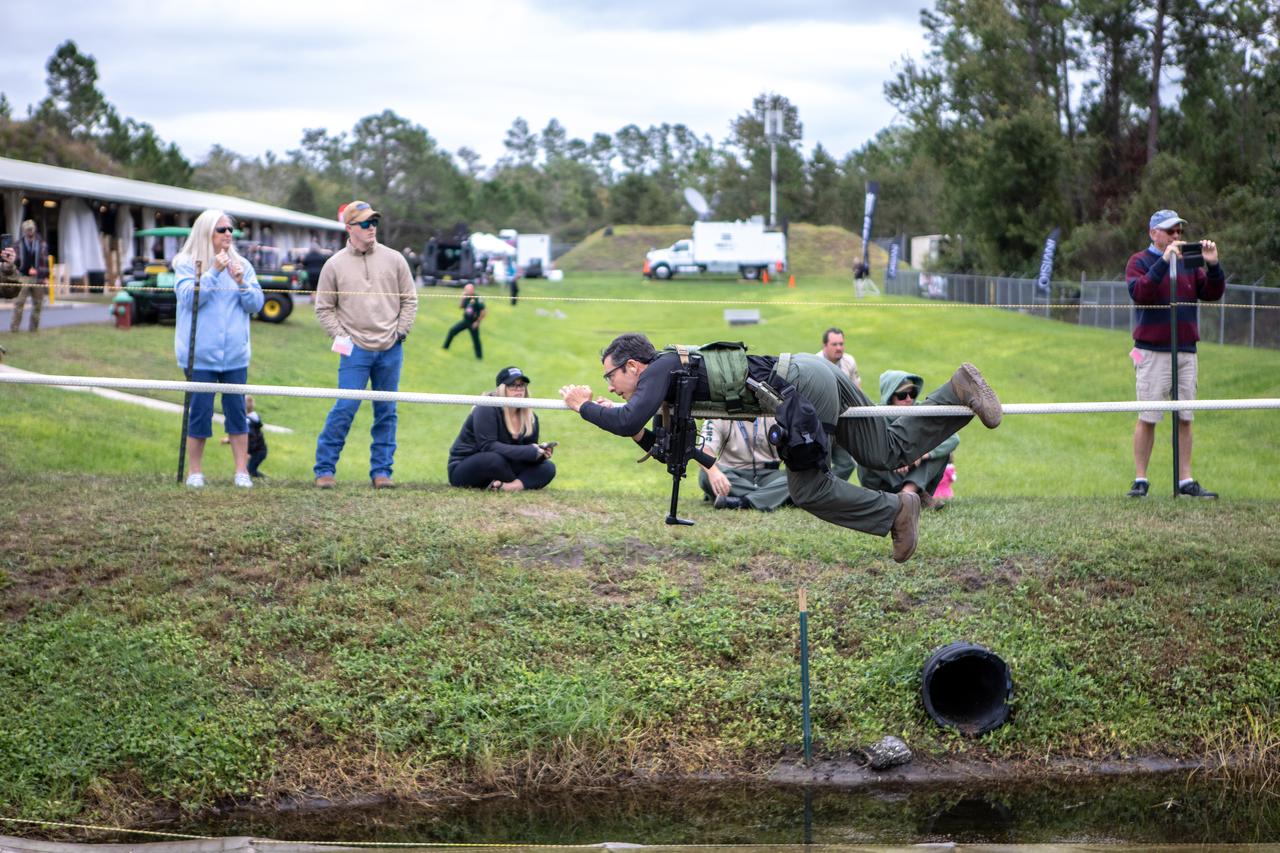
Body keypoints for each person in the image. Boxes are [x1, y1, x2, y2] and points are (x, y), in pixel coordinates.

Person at [559, 334, 1002, 562]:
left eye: (610, 378)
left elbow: (626, 418)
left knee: (808, 489)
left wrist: (583, 407)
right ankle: (957, 391)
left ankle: (896, 513)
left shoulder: (661, 366)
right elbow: (668, 449)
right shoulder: (668, 383)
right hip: (808, 373)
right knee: (885, 450)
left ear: (632, 366)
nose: (611, 388)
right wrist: (623, 424)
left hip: (801, 385)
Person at [313, 200, 419, 489]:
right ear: (350, 228)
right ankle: (324, 470)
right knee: (345, 407)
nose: (372, 227)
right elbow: (324, 308)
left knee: (387, 411)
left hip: (390, 349)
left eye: (374, 222)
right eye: (365, 223)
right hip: (354, 350)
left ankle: (382, 473)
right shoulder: (333, 265)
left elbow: (409, 299)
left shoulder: (395, 259)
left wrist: (400, 332)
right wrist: (342, 337)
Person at [1125, 209, 1225, 499]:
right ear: (1154, 233)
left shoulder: (1190, 265)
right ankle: (1140, 480)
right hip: (1152, 352)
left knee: (1185, 416)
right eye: (1170, 231)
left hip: (1185, 351)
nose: (1177, 237)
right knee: (1149, 416)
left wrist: (1214, 265)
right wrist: (1164, 261)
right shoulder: (1139, 262)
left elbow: (1212, 292)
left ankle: (1185, 481)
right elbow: (1140, 291)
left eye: (1179, 231)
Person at [173, 209, 264, 489]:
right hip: (200, 356)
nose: (228, 235)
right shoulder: (187, 264)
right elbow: (190, 300)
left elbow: (256, 305)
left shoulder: (243, 265)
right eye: (221, 229)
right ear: (206, 233)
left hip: (235, 356)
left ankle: (241, 471)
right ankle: (195, 472)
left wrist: (242, 283)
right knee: (199, 412)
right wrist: (213, 271)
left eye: (230, 230)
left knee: (237, 413)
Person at [857, 371, 959, 510]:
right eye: (902, 395)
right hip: (884, 480)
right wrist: (896, 457)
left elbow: (953, 438)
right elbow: (861, 443)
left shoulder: (922, 410)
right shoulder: (875, 414)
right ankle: (907, 497)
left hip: (915, 478)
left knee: (941, 452)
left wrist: (921, 455)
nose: (909, 399)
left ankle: (908, 493)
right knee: (866, 452)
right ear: (889, 396)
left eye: (913, 393)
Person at [447, 366, 556, 491]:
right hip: (466, 466)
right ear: (502, 388)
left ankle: (508, 487)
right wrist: (529, 451)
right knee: (493, 459)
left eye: (521, 385)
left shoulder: (530, 417)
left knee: (548, 467)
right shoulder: (486, 407)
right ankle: (519, 483)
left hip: (506, 465)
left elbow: (526, 453)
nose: (518, 390)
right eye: (512, 386)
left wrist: (540, 454)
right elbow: (487, 446)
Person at [699, 416, 790, 511]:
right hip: (732, 476)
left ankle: (742, 502)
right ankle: (773, 496)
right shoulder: (718, 415)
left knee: (795, 480)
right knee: (706, 473)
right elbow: (704, 450)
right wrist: (714, 473)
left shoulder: (774, 411)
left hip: (768, 475)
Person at [816, 327, 862, 480]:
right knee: (821, 463)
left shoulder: (849, 361)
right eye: (834, 344)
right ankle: (819, 491)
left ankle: (826, 489)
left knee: (847, 465)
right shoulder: (815, 363)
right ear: (825, 346)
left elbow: (857, 390)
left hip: (842, 423)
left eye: (841, 344)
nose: (839, 348)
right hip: (821, 424)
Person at [9, 220, 50, 333]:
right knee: (19, 303)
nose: (30, 231)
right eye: (27, 229)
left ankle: (34, 329)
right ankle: (14, 328)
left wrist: (46, 276)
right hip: (23, 277)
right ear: (24, 231)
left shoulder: (42, 243)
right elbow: (14, 262)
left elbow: (46, 261)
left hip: (38, 277)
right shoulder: (18, 244)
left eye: (31, 229)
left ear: (34, 229)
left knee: (38, 304)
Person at [442, 282, 486, 359]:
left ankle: (479, 357)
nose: (467, 291)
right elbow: (461, 307)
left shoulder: (477, 298)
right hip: (465, 321)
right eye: (466, 290)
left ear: (472, 289)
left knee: (476, 340)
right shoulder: (466, 297)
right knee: (452, 330)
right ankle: (445, 347)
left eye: (468, 289)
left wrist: (477, 322)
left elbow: (483, 311)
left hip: (473, 322)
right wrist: (462, 298)